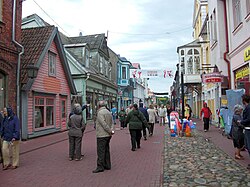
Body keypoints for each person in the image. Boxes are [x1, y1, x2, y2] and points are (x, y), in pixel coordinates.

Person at [93, 100, 114, 173]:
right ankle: (107, 165)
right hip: (108, 135)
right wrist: (111, 130)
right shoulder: (108, 112)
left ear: (99, 105)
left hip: (102, 134)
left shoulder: (100, 113)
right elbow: (112, 122)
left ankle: (100, 166)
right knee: (106, 150)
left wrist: (109, 130)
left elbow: (103, 124)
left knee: (101, 151)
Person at [239, 94, 250, 170]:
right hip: (247, 128)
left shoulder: (248, 108)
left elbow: (249, 119)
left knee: (249, 146)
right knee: (247, 146)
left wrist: (241, 122)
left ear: (244, 100)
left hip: (248, 129)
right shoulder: (247, 107)